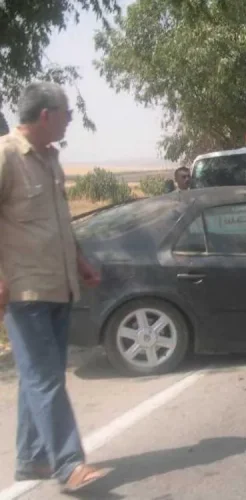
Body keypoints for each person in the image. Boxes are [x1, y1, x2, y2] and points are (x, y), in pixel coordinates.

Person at [0, 82, 110, 493]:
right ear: (46, 115)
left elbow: (61, 222)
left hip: (59, 286)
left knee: (38, 378)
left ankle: (31, 460)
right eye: (66, 113)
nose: (70, 120)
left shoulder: (50, 160)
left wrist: (80, 263)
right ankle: (69, 464)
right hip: (24, 291)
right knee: (46, 378)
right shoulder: (6, 155)